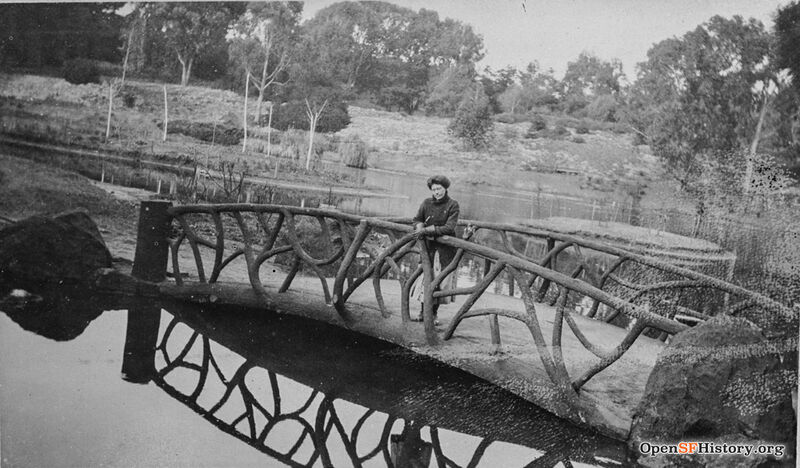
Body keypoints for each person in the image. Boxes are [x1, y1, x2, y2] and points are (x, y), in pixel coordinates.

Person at [411, 175, 459, 322]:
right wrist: (419, 228)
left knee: (438, 281)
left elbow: (449, 228)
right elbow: (417, 219)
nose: (437, 192)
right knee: (425, 278)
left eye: (439, 189)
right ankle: (422, 312)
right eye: (434, 189)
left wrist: (427, 230)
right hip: (428, 247)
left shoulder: (453, 205)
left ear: (445, 189)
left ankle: (433, 315)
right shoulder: (426, 203)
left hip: (444, 249)